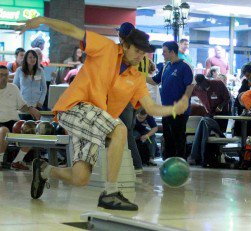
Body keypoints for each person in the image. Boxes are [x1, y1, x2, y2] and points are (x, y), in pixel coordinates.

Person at [18, 16, 188, 211]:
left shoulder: (137, 78)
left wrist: (174, 109)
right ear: (124, 45)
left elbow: (150, 108)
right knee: (119, 129)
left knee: (80, 177)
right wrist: (42, 19)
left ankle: (44, 170)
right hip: (73, 107)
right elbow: (73, 30)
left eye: (144, 54)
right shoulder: (105, 48)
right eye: (137, 51)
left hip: (93, 120)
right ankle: (111, 193)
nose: (141, 57)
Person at [117, 22, 156, 173]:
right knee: (128, 131)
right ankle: (128, 165)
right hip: (137, 100)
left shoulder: (126, 53)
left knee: (125, 132)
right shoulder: (145, 58)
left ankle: (136, 165)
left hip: (126, 98)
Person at [147, 41, 193, 160]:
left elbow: (190, 86)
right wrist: (138, 75)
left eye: (164, 52)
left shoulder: (185, 66)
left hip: (179, 109)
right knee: (168, 136)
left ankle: (180, 161)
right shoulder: (166, 66)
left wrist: (184, 102)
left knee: (178, 136)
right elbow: (155, 81)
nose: (163, 54)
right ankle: (169, 160)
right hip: (166, 109)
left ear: (172, 52)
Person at [0, 65, 40, 170]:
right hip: (1, 124)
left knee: (32, 130)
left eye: (6, 75)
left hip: (14, 122)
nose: (4, 77)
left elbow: (22, 106)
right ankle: (0, 161)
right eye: (1, 75)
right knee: (3, 131)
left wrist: (31, 109)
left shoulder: (13, 88)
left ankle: (17, 161)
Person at [13, 50, 47, 120]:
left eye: (34, 57)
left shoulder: (40, 70)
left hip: (37, 104)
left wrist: (41, 102)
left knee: (36, 127)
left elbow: (44, 88)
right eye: (30, 57)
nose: (33, 59)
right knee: (23, 127)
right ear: (26, 59)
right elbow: (15, 88)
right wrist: (19, 102)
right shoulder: (19, 70)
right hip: (24, 105)